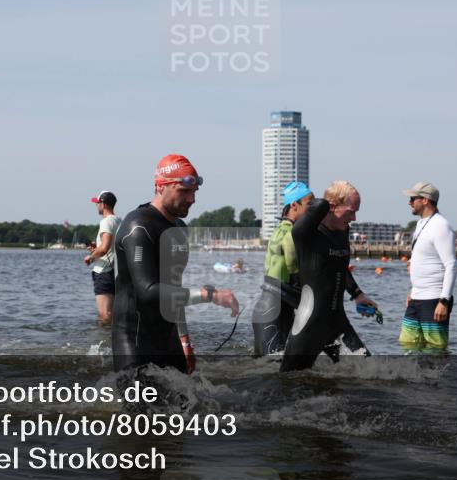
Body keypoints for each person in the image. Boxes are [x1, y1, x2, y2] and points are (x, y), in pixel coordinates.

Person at [112, 155, 239, 374]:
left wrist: (184, 339)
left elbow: (173, 289)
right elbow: (148, 292)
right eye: (184, 191)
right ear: (160, 187)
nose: (192, 199)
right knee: (144, 408)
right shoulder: (138, 226)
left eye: (194, 192)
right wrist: (210, 295)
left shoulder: (179, 229)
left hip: (168, 340)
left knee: (189, 407)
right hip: (134, 342)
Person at [280, 181, 378, 372]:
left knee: (370, 372)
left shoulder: (343, 230)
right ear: (332, 207)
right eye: (351, 211)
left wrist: (358, 295)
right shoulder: (307, 232)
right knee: (289, 381)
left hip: (336, 321)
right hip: (309, 324)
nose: (354, 217)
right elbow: (311, 211)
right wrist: (325, 202)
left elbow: (340, 267)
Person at [252, 180, 313, 357]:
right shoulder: (289, 234)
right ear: (295, 205)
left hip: (274, 309)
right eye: (310, 204)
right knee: (271, 372)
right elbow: (293, 266)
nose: (313, 209)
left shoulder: (279, 230)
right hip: (273, 311)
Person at [399, 182, 457, 352]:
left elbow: (451, 265)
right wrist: (414, 291)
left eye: (412, 198)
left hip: (434, 299)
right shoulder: (421, 224)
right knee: (407, 344)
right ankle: (412, 379)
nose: (409, 202)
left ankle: (437, 380)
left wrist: (444, 301)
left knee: (435, 349)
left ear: (424, 200)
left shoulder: (441, 226)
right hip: (417, 297)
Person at [83, 191, 121, 326]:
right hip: (116, 272)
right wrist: (96, 248)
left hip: (104, 272)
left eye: (97, 203)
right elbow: (110, 247)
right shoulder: (119, 220)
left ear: (103, 204)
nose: (97, 206)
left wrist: (91, 257)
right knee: (113, 313)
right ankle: (111, 341)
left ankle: (104, 343)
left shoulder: (106, 222)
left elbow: (104, 248)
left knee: (105, 315)